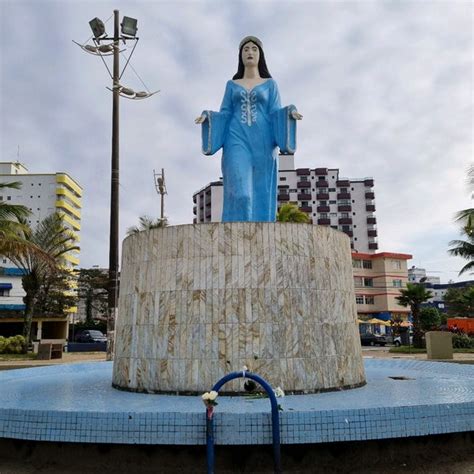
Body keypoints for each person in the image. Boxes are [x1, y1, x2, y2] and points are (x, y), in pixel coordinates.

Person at [196, 36, 302, 222]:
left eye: (254, 49)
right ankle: (235, 241)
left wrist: (289, 114)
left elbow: (275, 112)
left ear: (260, 55)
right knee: (241, 194)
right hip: (236, 140)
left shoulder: (270, 84)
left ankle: (259, 242)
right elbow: (226, 112)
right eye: (246, 49)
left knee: (261, 191)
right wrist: (209, 118)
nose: (250, 52)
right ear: (240, 56)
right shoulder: (231, 85)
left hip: (263, 143)